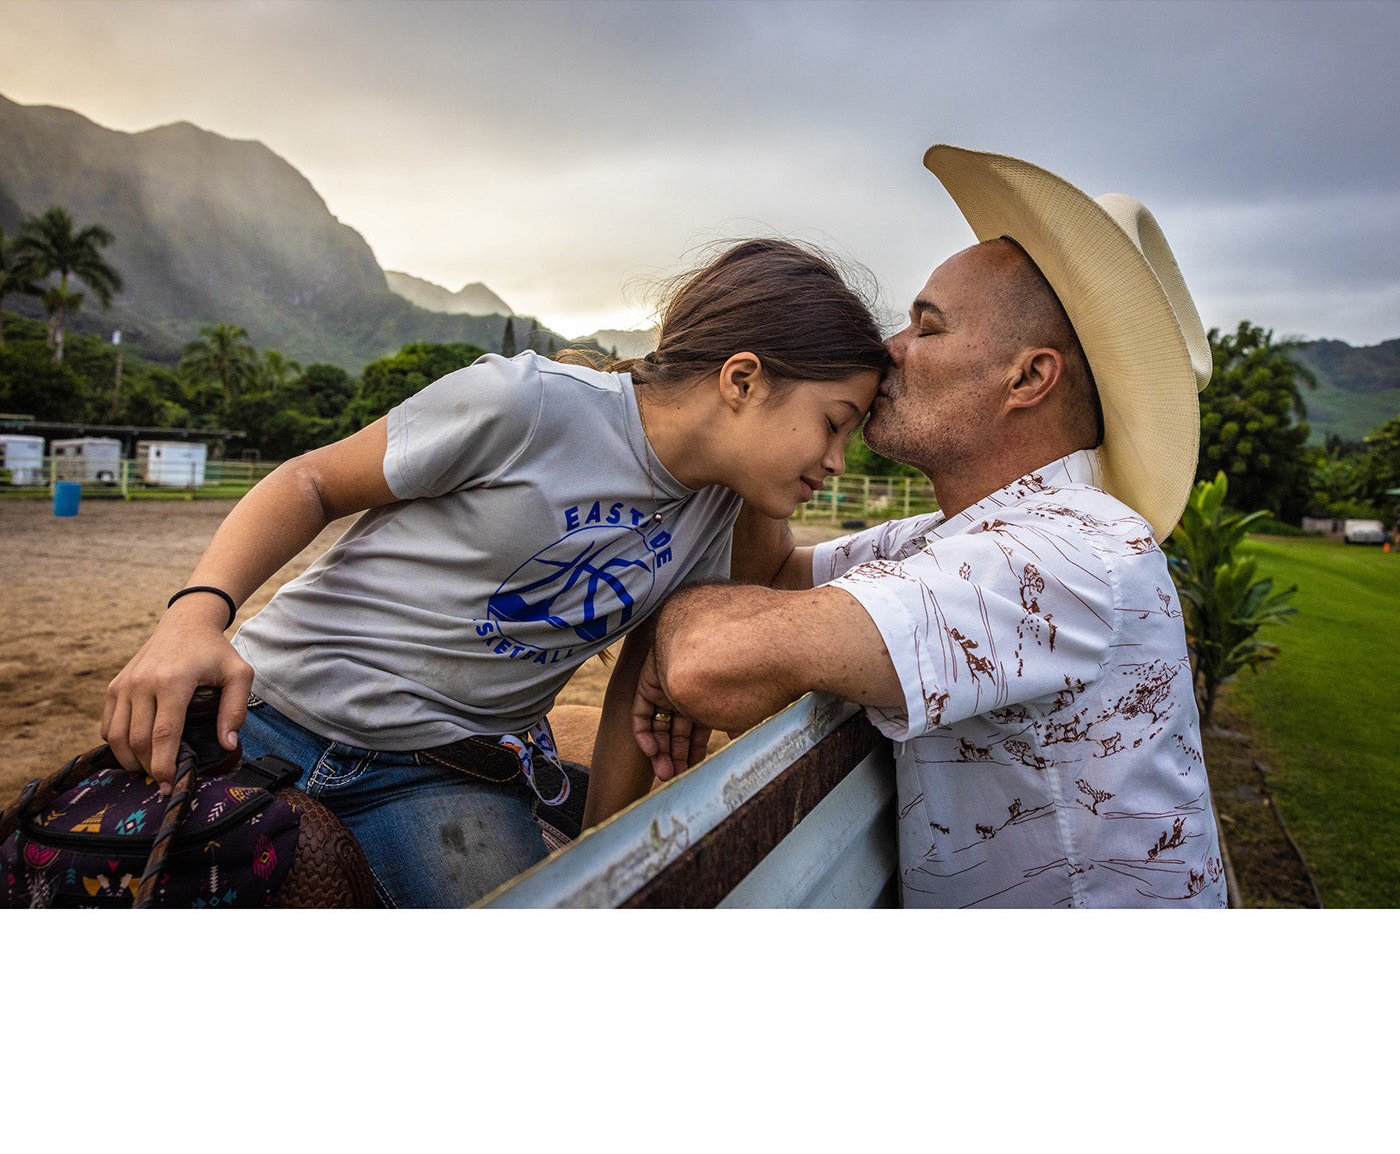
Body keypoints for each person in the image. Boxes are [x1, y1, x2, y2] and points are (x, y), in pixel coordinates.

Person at [102, 238, 887, 906]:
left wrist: (600, 853)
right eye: (833, 424)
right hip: (267, 711)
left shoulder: (730, 513)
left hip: (441, 775)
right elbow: (312, 483)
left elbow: (639, 686)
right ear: (743, 380)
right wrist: (193, 617)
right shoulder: (530, 405)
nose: (836, 461)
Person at [632, 146, 1228, 907]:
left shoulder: (1062, 551)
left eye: (927, 327)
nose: (888, 351)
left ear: (1027, 379)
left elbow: (711, 659)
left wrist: (676, 617)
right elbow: (774, 577)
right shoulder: (961, 538)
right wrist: (755, 440)